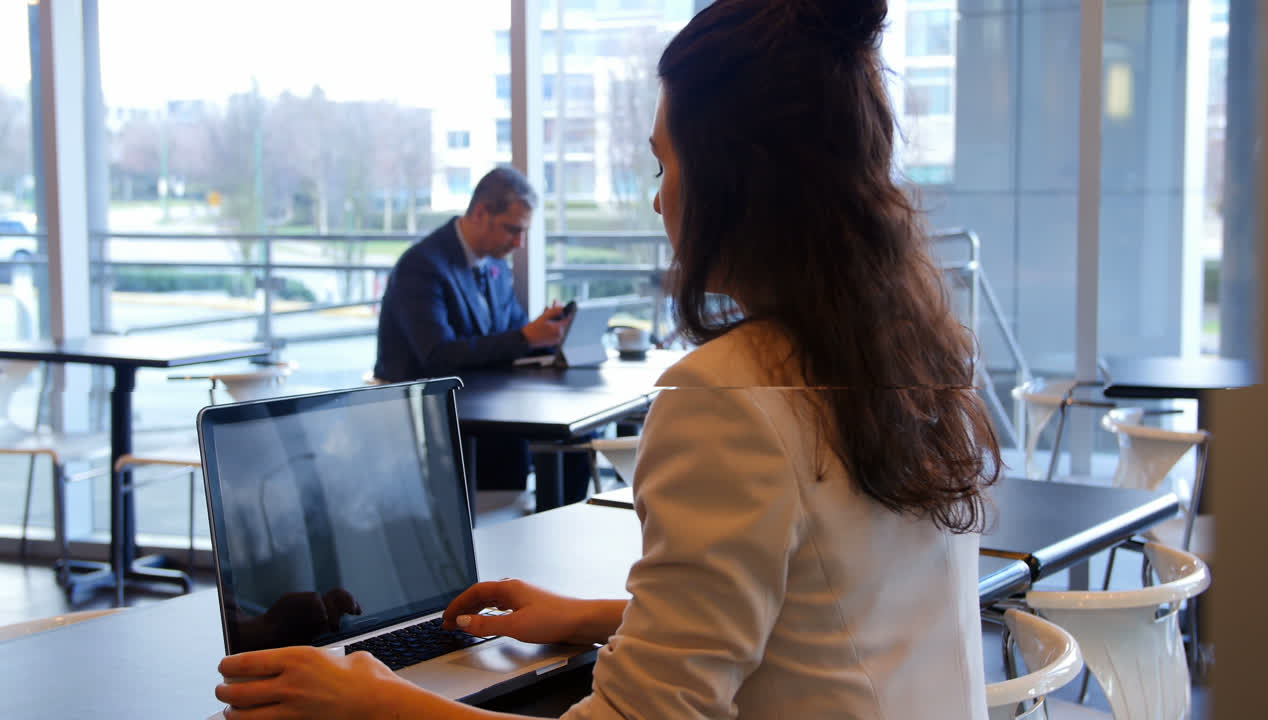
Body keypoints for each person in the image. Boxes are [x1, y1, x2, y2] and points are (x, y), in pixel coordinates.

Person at [215, 1, 1002, 717]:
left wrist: (372, 702)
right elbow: (824, 615)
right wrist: (590, 618)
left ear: (735, 181)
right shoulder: (919, 357)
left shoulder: (727, 400)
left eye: (665, 164)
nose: (659, 198)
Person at [373, 166, 585, 496]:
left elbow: (512, 332)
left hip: (485, 407)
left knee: (575, 436)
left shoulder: (494, 264)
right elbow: (438, 356)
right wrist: (526, 338)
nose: (519, 243)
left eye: (524, 232)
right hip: (436, 422)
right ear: (481, 213)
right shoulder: (422, 266)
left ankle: (558, 519)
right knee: (557, 439)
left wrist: (544, 334)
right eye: (512, 230)